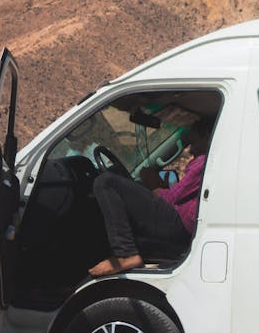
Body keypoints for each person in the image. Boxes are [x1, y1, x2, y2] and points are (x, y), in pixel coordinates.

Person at [88, 117, 214, 276]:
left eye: (194, 143)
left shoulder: (204, 161)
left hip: (180, 225)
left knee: (106, 182)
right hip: (182, 225)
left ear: (208, 136)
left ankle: (126, 253)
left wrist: (150, 181)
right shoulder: (206, 162)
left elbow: (169, 199)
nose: (190, 150)